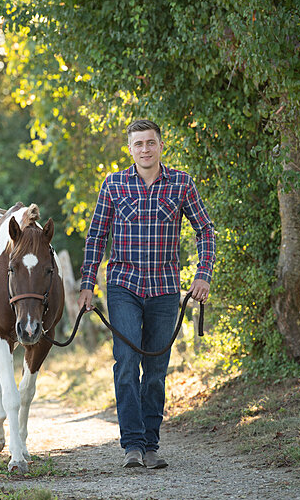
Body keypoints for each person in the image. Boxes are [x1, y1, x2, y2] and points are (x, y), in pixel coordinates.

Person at [78, 119, 216, 469]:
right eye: (138, 144)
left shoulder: (181, 183)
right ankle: (132, 446)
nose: (144, 149)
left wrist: (203, 275)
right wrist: (87, 285)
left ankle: (151, 444)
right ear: (129, 148)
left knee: (156, 369)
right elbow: (96, 236)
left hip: (166, 289)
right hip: (123, 285)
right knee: (126, 364)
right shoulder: (114, 184)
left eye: (150, 143)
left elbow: (205, 230)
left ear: (160, 146)